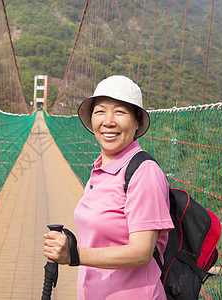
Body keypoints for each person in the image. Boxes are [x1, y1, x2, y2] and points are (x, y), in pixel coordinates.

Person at [43, 75, 174, 299]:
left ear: (137, 122)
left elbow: (141, 253)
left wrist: (73, 255)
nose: (109, 121)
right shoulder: (100, 168)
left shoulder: (144, 172)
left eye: (120, 112)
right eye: (100, 111)